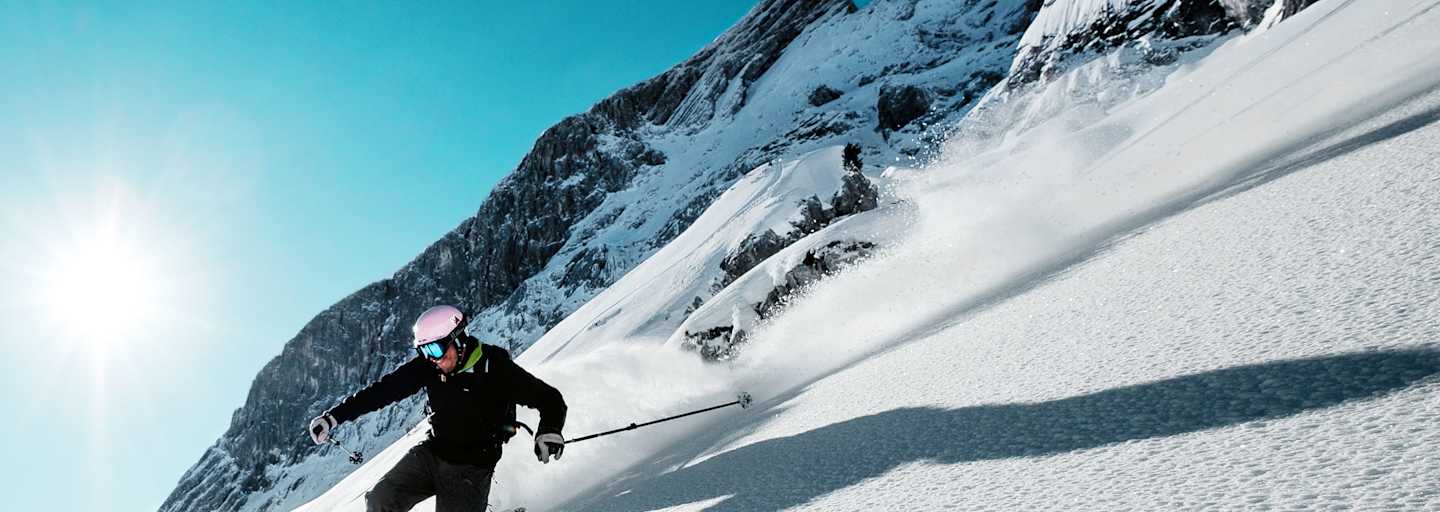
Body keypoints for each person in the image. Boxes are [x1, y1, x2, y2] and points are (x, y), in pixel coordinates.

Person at [307, 304, 567, 512]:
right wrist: (334, 417)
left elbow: (550, 398)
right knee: (380, 500)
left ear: (459, 338)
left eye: (436, 348)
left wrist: (549, 429)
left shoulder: (494, 368)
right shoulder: (429, 366)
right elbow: (381, 392)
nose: (432, 358)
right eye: (424, 350)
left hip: (471, 466)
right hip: (432, 454)